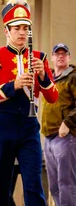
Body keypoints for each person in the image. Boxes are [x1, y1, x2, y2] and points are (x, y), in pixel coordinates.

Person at [0, 0, 58, 206]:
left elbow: (52, 96)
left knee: (34, 185)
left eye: (25, 28)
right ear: (7, 30)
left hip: (29, 126)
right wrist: (13, 85)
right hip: (3, 123)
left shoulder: (39, 57)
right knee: (1, 187)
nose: (22, 33)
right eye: (17, 28)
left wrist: (43, 76)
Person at [41, 43, 76, 206]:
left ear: (69, 57)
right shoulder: (50, 79)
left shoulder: (73, 76)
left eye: (64, 54)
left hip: (65, 137)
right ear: (52, 57)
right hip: (49, 138)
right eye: (57, 54)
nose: (61, 56)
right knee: (54, 186)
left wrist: (67, 123)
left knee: (67, 183)